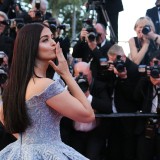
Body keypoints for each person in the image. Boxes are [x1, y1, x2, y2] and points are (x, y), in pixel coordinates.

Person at [0, 23, 95, 159]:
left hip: (19, 151)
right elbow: (88, 115)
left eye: (51, 37)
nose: (53, 43)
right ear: (30, 47)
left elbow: (2, 115)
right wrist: (67, 74)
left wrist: (28, 141)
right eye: (45, 40)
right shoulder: (45, 85)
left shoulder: (15, 85)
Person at [65, 61, 112, 160]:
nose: (83, 79)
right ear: (74, 75)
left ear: (90, 73)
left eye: (86, 75)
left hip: (94, 133)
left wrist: (88, 96)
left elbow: (107, 107)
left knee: (92, 157)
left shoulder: (99, 86)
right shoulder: (68, 87)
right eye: (80, 76)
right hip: (74, 133)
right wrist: (70, 88)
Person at [106, 44, 140, 160]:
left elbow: (134, 96)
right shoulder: (111, 69)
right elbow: (108, 87)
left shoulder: (134, 69)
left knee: (128, 149)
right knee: (114, 149)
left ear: (123, 57)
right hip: (113, 114)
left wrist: (123, 78)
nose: (114, 64)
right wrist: (110, 73)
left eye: (115, 60)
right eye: (111, 61)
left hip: (128, 116)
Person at [134, 51, 160, 160]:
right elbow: (135, 98)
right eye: (153, 63)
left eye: (158, 64)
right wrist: (144, 79)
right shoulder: (145, 80)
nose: (155, 67)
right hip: (146, 126)